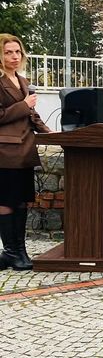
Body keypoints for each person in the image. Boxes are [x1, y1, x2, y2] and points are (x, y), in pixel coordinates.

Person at [0, 34, 51, 271]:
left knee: (21, 202)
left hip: (25, 151)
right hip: (5, 152)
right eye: (8, 52)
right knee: (6, 202)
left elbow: (32, 115)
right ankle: (12, 252)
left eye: (17, 52)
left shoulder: (23, 80)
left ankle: (19, 251)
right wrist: (24, 105)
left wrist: (51, 134)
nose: (14, 56)